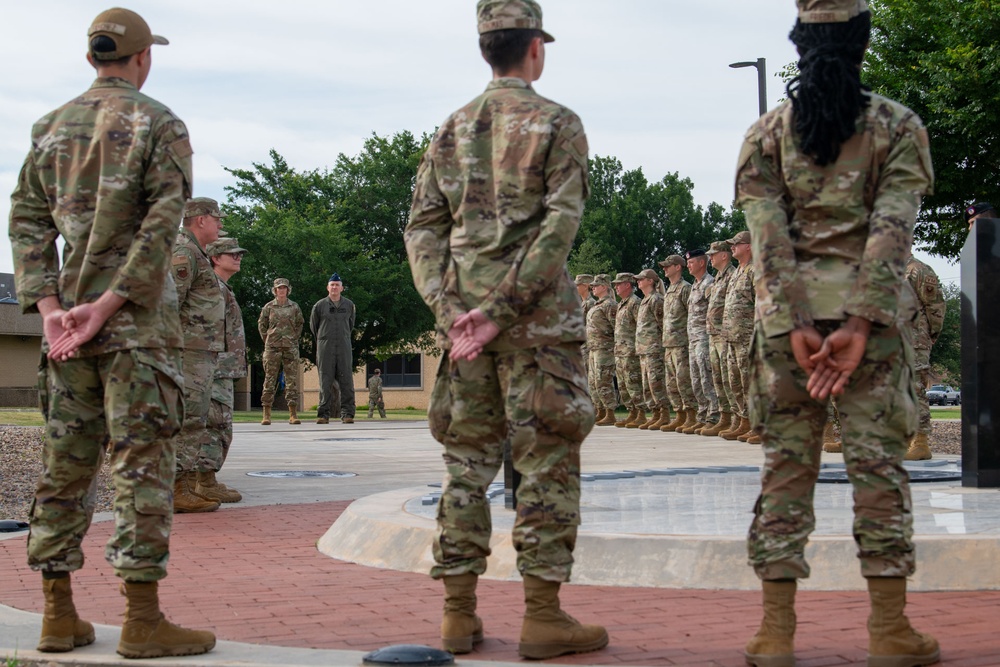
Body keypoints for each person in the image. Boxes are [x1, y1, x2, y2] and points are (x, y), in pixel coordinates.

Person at [7, 7, 214, 658]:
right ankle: (143, 618)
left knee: (64, 467)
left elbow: (26, 225)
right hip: (137, 328)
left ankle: (57, 615)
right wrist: (111, 303)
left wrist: (49, 310)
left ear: (92, 57)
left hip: (66, 326)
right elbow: (162, 229)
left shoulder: (49, 128)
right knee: (141, 464)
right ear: (142, 58)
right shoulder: (159, 123)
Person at [404, 0, 607, 658]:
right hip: (538, 330)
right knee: (546, 465)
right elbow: (560, 226)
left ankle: (457, 615)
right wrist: (504, 308)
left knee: (465, 466)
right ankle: (543, 616)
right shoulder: (557, 123)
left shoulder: (451, 129)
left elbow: (423, 229)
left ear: (485, 50)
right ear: (535, 49)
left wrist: (450, 306)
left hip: (464, 333)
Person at [736, 1, 937, 665]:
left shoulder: (766, 134)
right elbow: (893, 232)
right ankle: (889, 632)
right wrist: (854, 322)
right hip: (869, 335)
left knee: (786, 472)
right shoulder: (897, 128)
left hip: (788, 340)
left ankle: (774, 634)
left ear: (799, 43)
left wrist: (796, 323)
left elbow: (768, 243)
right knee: (878, 472)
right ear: (862, 42)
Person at [172, 198, 226, 513]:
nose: (220, 225)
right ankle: (176, 490)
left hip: (198, 352)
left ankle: (185, 486)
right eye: (216, 219)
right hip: (186, 352)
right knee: (189, 419)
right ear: (201, 220)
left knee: (195, 418)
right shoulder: (185, 254)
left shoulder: (196, 253)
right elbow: (169, 304)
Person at [201, 236, 248, 504]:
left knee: (220, 424)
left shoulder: (222, 288)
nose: (238, 257)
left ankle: (207, 480)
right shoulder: (212, 288)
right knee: (215, 423)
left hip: (223, 368)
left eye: (239, 254)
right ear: (216, 258)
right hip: (214, 368)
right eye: (232, 254)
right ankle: (204, 481)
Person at [903, 255, 946, 460]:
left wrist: (931, 334)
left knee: (915, 389)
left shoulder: (918, 270)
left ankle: (920, 442)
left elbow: (935, 306)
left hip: (915, 340)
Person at [719, 231, 756, 442]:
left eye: (736, 244)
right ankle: (744, 421)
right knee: (735, 382)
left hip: (747, 337)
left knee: (750, 382)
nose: (732, 247)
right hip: (731, 338)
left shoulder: (755, 271)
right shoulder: (736, 273)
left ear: (749, 246)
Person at [310, 273, 356, 424]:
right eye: (332, 285)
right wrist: (323, 339)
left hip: (344, 345)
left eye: (337, 285)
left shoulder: (349, 305)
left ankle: (348, 413)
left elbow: (351, 325)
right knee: (325, 379)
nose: (335, 287)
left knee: (347, 380)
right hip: (325, 345)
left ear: (342, 288)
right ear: (327, 288)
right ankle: (323, 414)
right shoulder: (319, 305)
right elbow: (314, 327)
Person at [258, 278, 304, 425]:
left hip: (290, 347)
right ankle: (266, 413)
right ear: (275, 290)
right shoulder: (269, 307)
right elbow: (262, 324)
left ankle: (293, 413)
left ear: (288, 290)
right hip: (272, 347)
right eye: (279, 288)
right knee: (269, 379)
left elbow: (300, 323)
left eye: (284, 288)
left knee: (291, 380)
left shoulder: (294, 307)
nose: (282, 290)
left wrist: (294, 338)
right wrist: (268, 340)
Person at [702, 241, 736, 437]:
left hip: (726, 335)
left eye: (714, 254)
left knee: (731, 378)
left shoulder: (732, 275)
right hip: (713, 336)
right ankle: (725, 417)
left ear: (724, 255)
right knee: (718, 378)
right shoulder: (718, 278)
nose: (710, 257)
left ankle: (739, 418)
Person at [658, 254, 696, 432]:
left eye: (668, 265)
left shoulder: (685, 289)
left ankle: (691, 415)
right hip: (669, 343)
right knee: (671, 383)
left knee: (683, 381)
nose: (665, 268)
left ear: (678, 267)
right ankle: (679, 415)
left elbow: (692, 315)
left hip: (682, 343)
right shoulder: (669, 290)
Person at [685, 249, 719, 433]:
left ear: (701, 263)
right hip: (693, 339)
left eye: (691, 262)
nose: (688, 265)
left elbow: (714, 312)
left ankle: (714, 417)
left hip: (704, 338)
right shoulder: (694, 285)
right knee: (696, 380)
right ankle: (703, 414)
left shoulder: (709, 283)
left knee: (707, 378)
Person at [634, 269, 670, 429]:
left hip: (655, 349)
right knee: (647, 384)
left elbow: (663, 324)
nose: (638, 282)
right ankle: (655, 413)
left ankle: (664, 414)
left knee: (656, 383)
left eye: (641, 279)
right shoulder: (645, 300)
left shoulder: (657, 300)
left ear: (650, 281)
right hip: (644, 349)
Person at [612, 273, 644, 427]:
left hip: (630, 351)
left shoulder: (635, 302)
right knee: (623, 385)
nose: (616, 287)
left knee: (633, 383)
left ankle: (641, 413)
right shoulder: (621, 304)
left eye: (619, 284)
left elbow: (641, 326)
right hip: (620, 352)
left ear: (627, 285)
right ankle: (632, 412)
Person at [587, 274, 618, 426]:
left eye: (596, 285)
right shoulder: (597, 305)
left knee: (603, 380)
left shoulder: (610, 305)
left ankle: (610, 412)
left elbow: (615, 327)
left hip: (604, 349)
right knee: (593, 382)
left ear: (604, 287)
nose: (593, 287)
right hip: (593, 348)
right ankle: (600, 410)